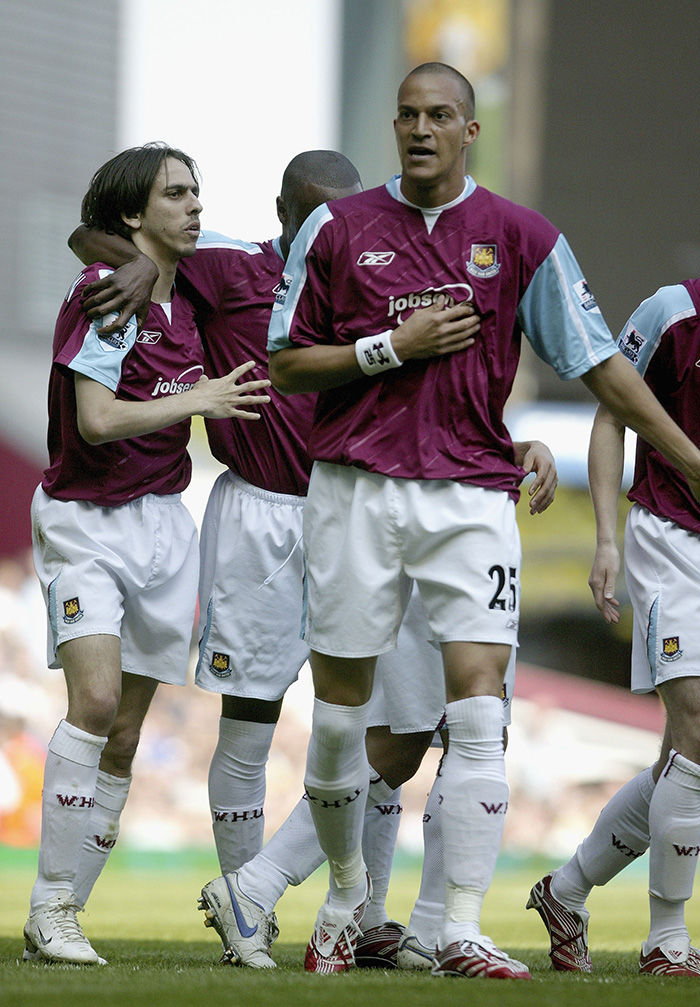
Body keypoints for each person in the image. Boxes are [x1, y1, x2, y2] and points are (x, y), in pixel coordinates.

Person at [266, 62, 700, 979]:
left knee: (480, 713)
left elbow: (599, 366)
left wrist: (688, 460)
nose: (421, 129)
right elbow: (285, 364)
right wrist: (388, 346)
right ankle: (348, 895)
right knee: (340, 725)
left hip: (471, 496)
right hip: (354, 488)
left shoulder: (522, 238)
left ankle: (464, 927)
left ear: (469, 129)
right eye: (407, 116)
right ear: (395, 127)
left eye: (440, 115)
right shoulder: (334, 227)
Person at [70, 151, 557, 970]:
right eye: (311, 214)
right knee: (251, 721)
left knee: (394, 727)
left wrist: (512, 444)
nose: (328, 227)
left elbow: (420, 402)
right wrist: (121, 260)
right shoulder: (226, 264)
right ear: (282, 214)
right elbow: (103, 231)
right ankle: (247, 914)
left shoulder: (376, 274)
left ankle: (358, 911)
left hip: (368, 505)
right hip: (262, 512)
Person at [24, 142, 270, 966]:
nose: (195, 206)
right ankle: (49, 903)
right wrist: (199, 399)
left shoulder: (194, 291)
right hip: (86, 522)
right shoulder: (104, 296)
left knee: (124, 738)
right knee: (92, 702)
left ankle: (66, 911)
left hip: (167, 525)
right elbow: (94, 420)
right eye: (176, 194)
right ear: (134, 215)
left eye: (198, 191)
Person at [527, 275, 700, 977]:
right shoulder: (677, 312)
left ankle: (566, 890)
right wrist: (607, 540)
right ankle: (665, 938)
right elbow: (612, 413)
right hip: (673, 540)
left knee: (681, 758)